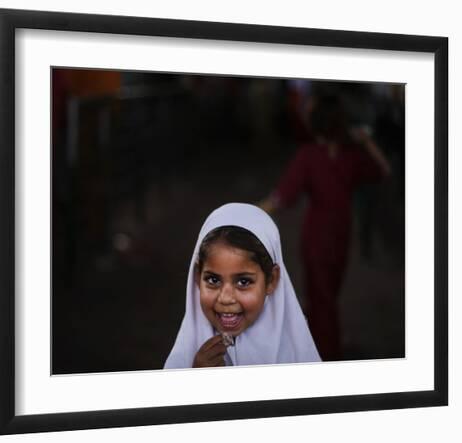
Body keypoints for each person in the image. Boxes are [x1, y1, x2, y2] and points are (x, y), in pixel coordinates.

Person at [259, 94, 391, 361]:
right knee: (327, 296)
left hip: (317, 238)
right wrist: (365, 141)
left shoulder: (309, 156)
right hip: (341, 236)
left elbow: (281, 198)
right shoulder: (351, 156)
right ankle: (320, 343)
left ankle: (326, 354)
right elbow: (383, 170)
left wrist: (251, 211)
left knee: (322, 300)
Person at [164, 203, 321, 369]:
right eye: (213, 280)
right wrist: (195, 379)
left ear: (272, 280)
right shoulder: (186, 359)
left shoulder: (297, 359)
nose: (225, 298)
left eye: (243, 282)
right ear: (197, 277)